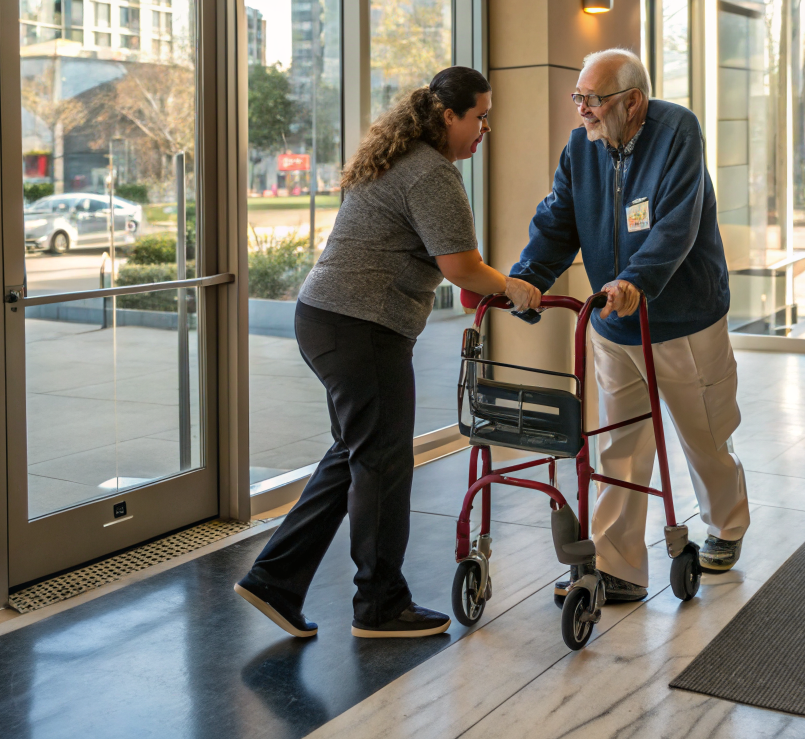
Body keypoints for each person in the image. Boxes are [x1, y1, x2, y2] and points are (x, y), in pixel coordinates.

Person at [235, 66, 542, 639]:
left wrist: (496, 285)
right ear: (448, 116)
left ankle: (273, 580)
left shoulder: (400, 162)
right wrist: (514, 286)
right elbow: (461, 268)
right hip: (361, 327)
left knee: (356, 453)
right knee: (382, 461)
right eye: (480, 116)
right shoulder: (431, 174)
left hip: (326, 319)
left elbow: (450, 266)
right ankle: (379, 605)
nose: (485, 129)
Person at [510, 48, 749, 604]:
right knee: (621, 443)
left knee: (705, 434)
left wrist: (638, 278)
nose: (581, 111)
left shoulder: (677, 133)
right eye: (578, 99)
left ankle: (726, 524)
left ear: (633, 101)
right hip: (615, 324)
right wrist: (530, 277)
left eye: (592, 100)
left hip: (683, 319)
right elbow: (556, 221)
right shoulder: (581, 149)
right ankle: (618, 565)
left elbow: (677, 222)